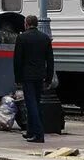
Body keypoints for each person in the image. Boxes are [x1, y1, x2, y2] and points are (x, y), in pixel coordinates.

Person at [14, 14, 54, 144]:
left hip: (27, 77)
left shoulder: (22, 38)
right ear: (36, 24)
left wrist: (17, 77)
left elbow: (17, 60)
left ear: (26, 24)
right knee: (35, 103)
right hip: (40, 76)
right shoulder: (45, 38)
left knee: (31, 105)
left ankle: (38, 134)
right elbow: (50, 60)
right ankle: (30, 132)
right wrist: (48, 78)